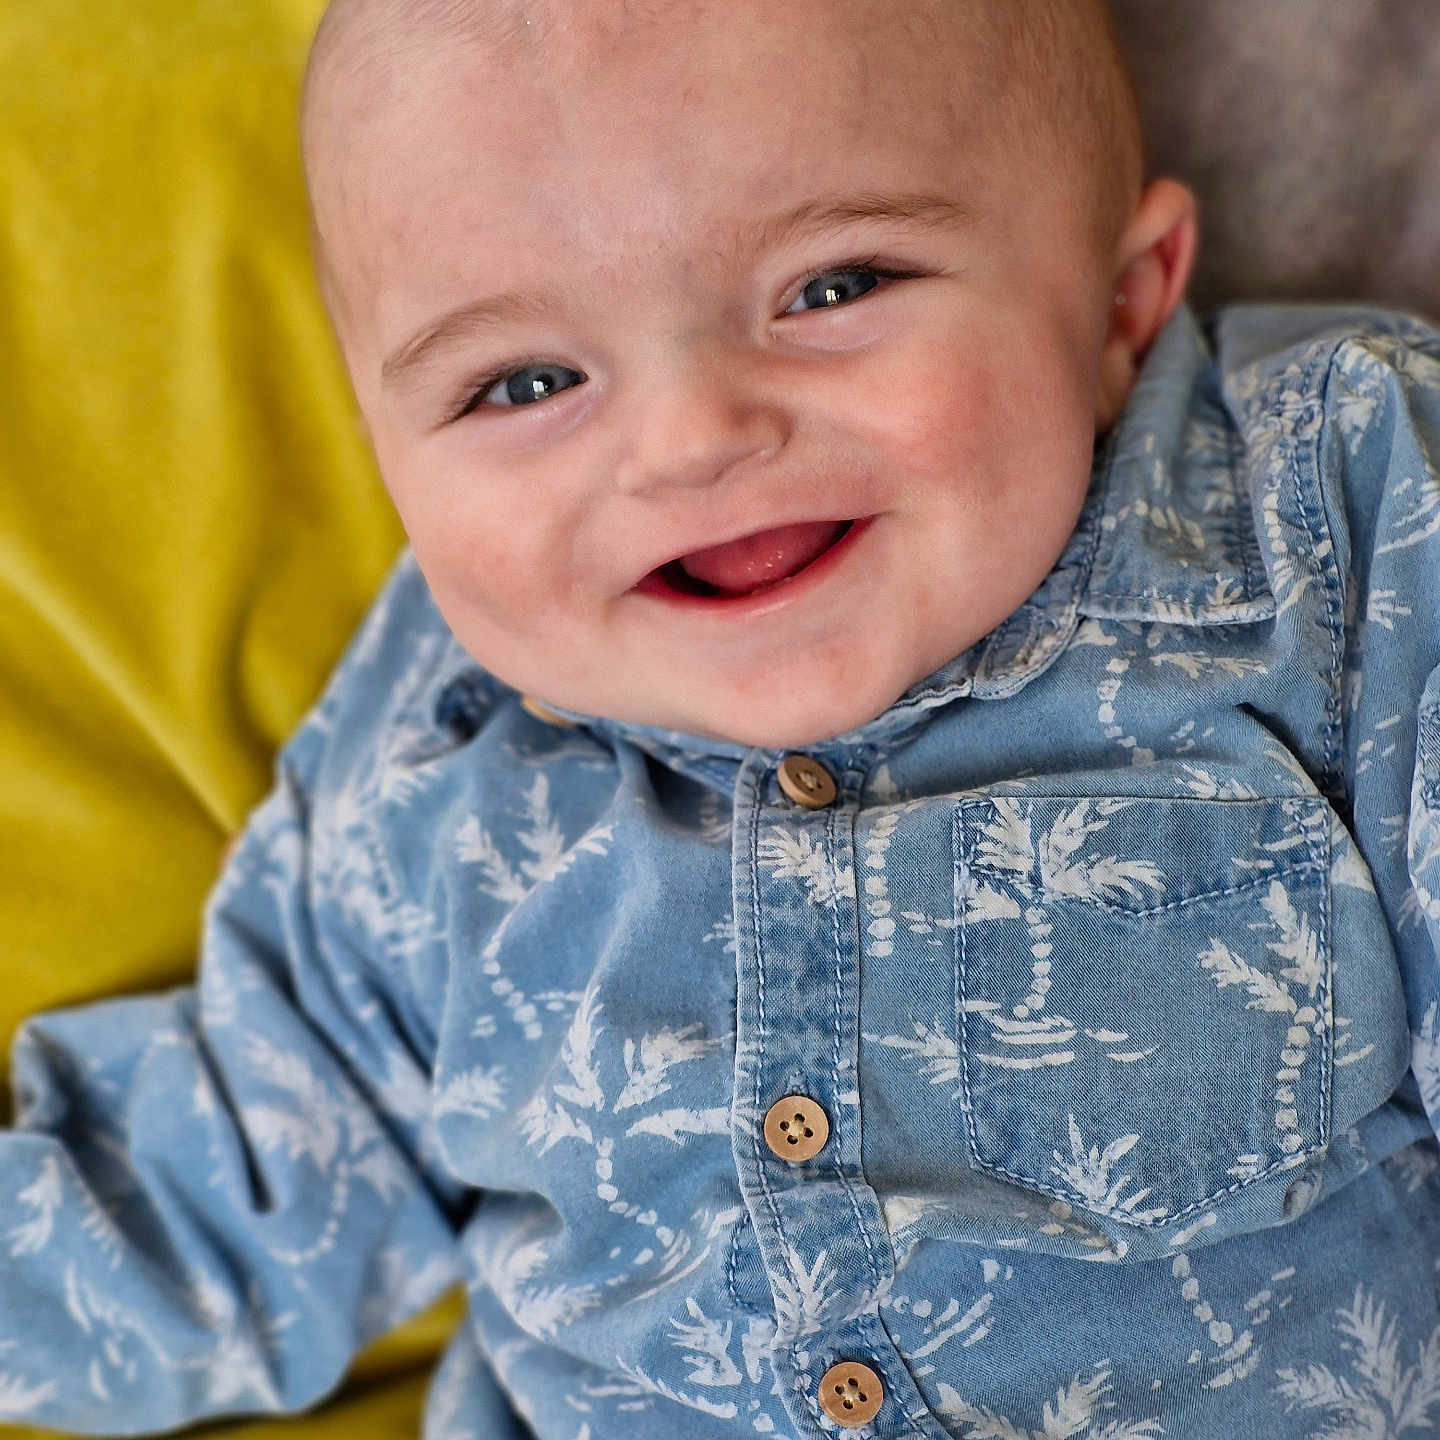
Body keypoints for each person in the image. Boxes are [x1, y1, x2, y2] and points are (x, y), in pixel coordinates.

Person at [3, 0, 1438, 1435]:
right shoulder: (441, 749)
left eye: (833, 287)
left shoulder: (1328, 513)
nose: (692, 438)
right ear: (387, 456)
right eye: (525, 382)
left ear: (1123, 299)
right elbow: (219, 1195)